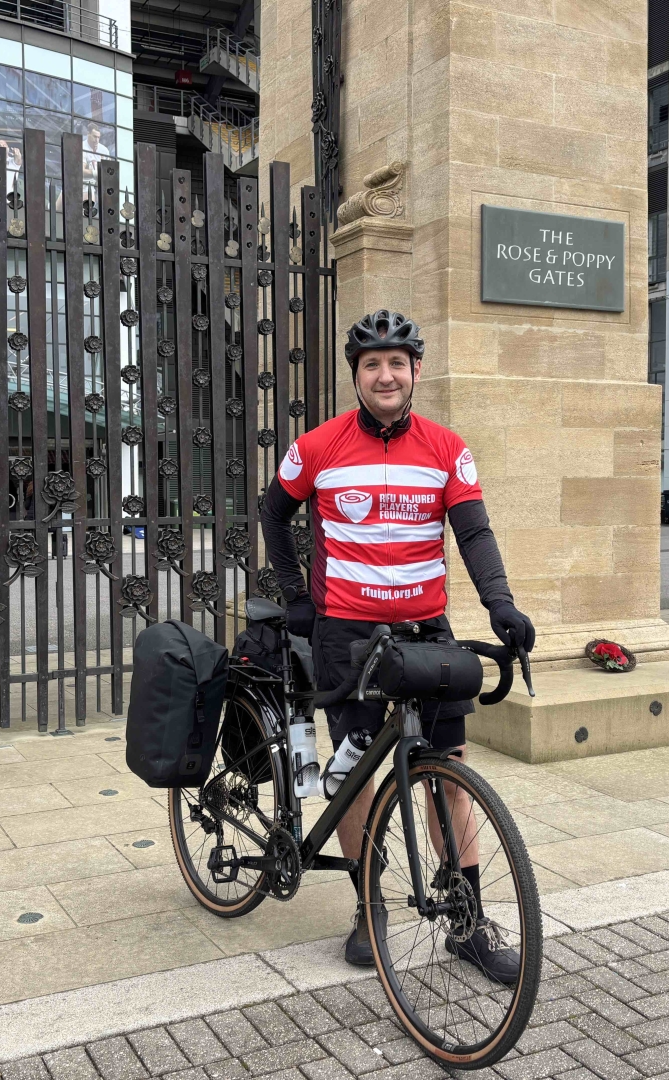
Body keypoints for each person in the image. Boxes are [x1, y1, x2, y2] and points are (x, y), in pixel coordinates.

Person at [259, 310, 536, 982]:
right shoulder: (318, 446)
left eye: (397, 363)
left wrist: (500, 603)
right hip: (345, 634)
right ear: (357, 375)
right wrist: (297, 596)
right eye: (371, 364)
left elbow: (473, 534)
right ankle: (366, 905)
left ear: (415, 372)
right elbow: (272, 512)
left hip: (425, 633)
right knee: (357, 774)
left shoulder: (447, 448)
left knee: (451, 771)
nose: (385, 374)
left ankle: (467, 922)